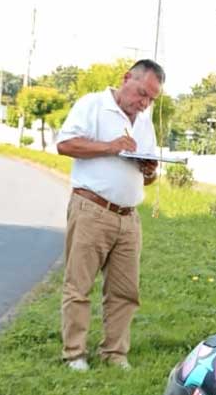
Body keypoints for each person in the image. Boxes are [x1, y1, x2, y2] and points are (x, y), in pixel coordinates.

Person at [54, 59, 165, 371]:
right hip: (92, 208)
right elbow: (65, 144)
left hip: (128, 216)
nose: (143, 103)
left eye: (150, 99)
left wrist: (149, 169)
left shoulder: (144, 120)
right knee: (79, 285)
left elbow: (147, 174)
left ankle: (115, 353)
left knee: (125, 290)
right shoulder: (93, 105)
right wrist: (111, 146)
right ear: (127, 78)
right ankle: (74, 353)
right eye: (141, 93)